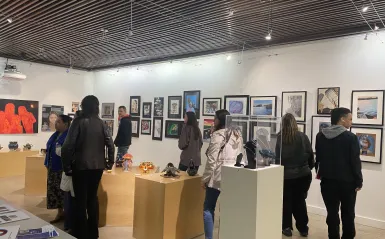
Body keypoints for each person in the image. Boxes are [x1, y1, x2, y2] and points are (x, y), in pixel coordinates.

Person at [61, 95, 115, 239]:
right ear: (96, 106)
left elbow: (67, 146)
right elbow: (110, 144)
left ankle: (81, 233)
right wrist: (109, 162)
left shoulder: (78, 121)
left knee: (80, 200)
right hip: (97, 166)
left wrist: (66, 166)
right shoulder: (101, 123)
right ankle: (93, 232)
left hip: (80, 166)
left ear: (83, 106)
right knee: (92, 198)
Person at [315, 108, 363, 239]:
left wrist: (320, 173)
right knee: (348, 213)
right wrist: (359, 181)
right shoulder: (350, 137)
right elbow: (355, 161)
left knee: (332, 212)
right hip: (347, 183)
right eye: (350, 119)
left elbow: (318, 158)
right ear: (342, 119)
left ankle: (333, 236)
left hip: (327, 181)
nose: (351, 122)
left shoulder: (320, 136)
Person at [201, 109, 245, 239]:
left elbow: (211, 160)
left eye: (215, 118)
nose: (213, 121)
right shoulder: (237, 135)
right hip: (232, 176)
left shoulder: (218, 135)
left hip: (217, 177)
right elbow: (240, 156)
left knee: (208, 208)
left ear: (220, 120)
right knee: (227, 210)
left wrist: (205, 179)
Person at [275, 113, 314, 237]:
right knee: (300, 201)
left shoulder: (280, 138)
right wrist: (308, 168)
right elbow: (310, 155)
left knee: (286, 201)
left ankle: (286, 227)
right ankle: (303, 228)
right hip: (303, 174)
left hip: (286, 175)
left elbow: (277, 158)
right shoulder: (302, 137)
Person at [44, 115, 72, 224]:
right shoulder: (55, 135)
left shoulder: (68, 136)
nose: (56, 123)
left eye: (59, 122)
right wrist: (46, 163)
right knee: (54, 191)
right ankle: (60, 212)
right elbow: (49, 149)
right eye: (56, 122)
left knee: (63, 192)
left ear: (66, 124)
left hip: (62, 168)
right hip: (52, 167)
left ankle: (66, 213)